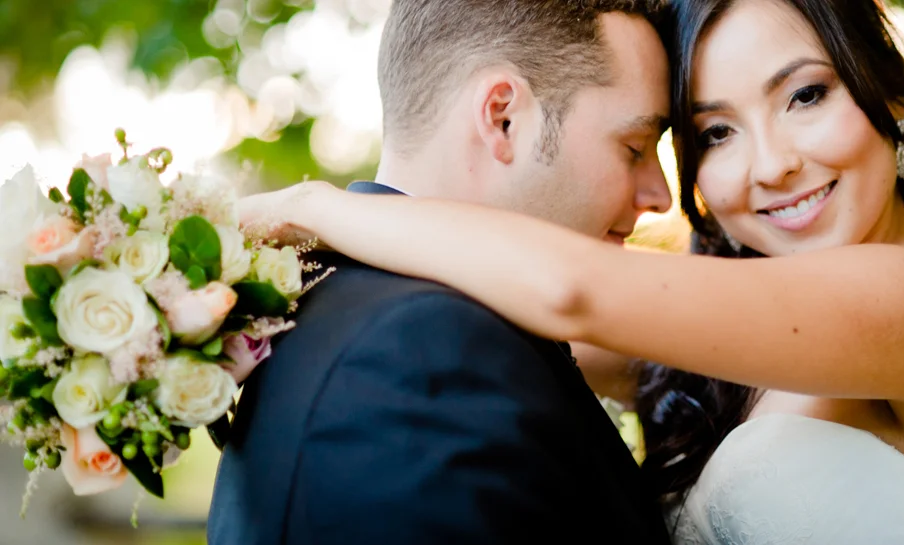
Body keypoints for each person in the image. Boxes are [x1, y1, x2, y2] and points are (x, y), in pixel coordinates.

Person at [240, 0, 904, 542]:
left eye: (805, 95)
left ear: (892, 95)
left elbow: (570, 291)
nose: (772, 165)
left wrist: (318, 207)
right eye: (717, 133)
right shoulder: (727, 342)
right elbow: (478, 328)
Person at [207, 1, 675, 544]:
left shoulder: (349, 304)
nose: (661, 196)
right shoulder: (421, 351)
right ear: (503, 117)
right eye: (635, 147)